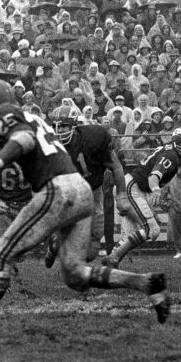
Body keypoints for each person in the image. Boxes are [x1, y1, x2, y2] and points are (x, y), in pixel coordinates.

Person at [0, 80, 169, 343]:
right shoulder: (31, 117)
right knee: (74, 274)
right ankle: (147, 283)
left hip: (58, 190)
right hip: (81, 190)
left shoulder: (3, 115)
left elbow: (24, 139)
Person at [106, 126, 181, 266]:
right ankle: (114, 257)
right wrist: (156, 190)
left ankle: (112, 259)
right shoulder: (171, 155)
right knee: (152, 230)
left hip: (134, 187)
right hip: (133, 187)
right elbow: (153, 177)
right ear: (176, 142)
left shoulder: (171, 152)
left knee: (133, 232)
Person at [54, 109, 127, 262]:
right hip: (69, 191)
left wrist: (121, 195)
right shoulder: (50, 144)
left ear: (74, 126)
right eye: (57, 126)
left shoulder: (93, 138)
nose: (60, 130)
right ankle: (55, 246)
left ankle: (62, 249)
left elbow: (116, 166)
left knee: (94, 242)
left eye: (64, 126)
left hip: (94, 190)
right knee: (69, 231)